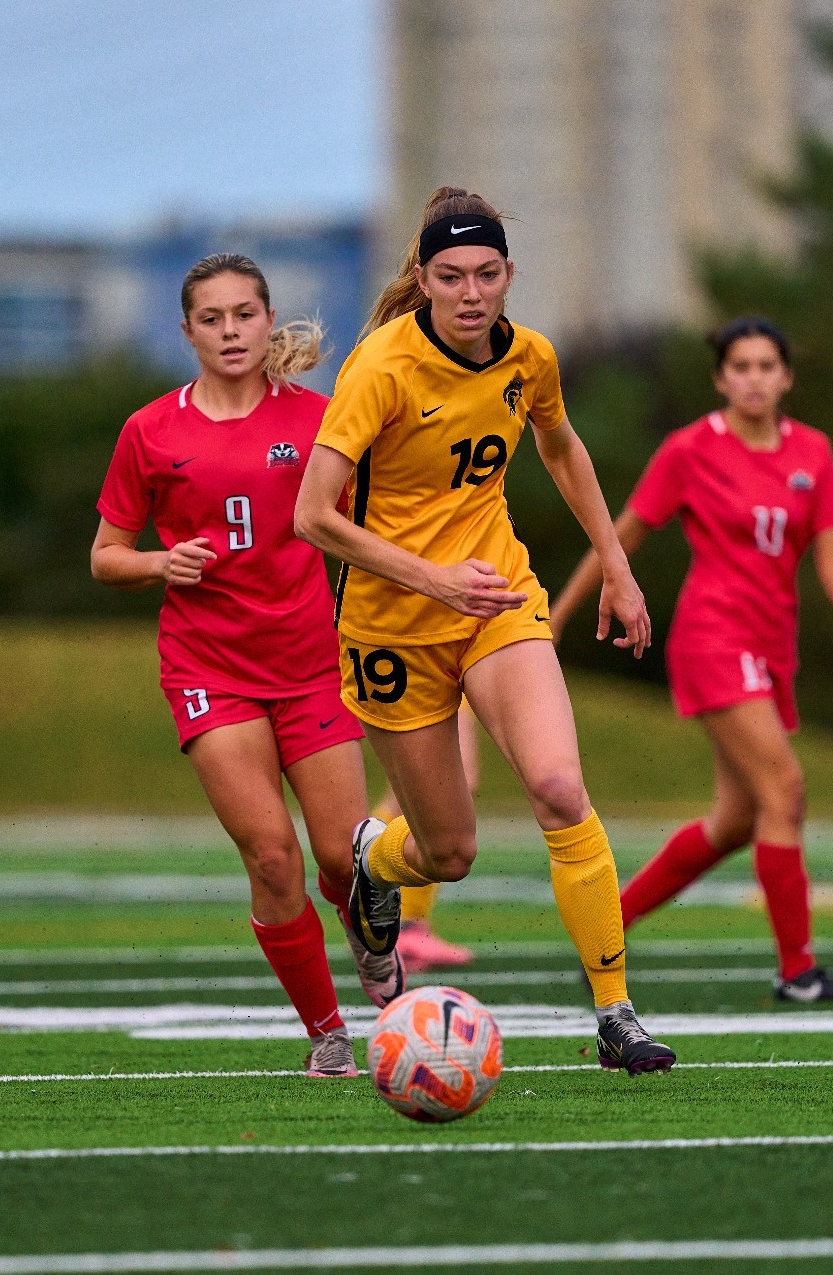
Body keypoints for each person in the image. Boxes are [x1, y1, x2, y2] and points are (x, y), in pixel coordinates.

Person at [293, 186, 676, 1075]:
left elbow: (561, 445)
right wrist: (429, 577)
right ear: (423, 279)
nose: (471, 292)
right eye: (452, 275)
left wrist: (616, 566)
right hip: (392, 627)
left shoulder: (529, 357)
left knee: (555, 784)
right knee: (449, 851)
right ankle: (375, 864)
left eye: (488, 274)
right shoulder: (381, 368)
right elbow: (312, 516)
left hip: (499, 599)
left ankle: (615, 1010)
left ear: (510, 276)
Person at [92, 254, 403, 1079]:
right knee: (272, 854)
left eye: (244, 314)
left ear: (269, 322)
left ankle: (371, 933)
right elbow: (105, 556)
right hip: (209, 669)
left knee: (342, 858)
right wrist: (162, 563)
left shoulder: (322, 419)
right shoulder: (150, 431)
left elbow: (369, 525)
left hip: (311, 664)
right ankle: (328, 1031)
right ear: (187, 330)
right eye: (211, 318)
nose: (230, 331)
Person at [554, 317, 833, 1003]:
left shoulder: (812, 452)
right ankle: (799, 972)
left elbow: (832, 552)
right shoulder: (691, 448)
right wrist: (556, 617)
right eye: (741, 366)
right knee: (784, 789)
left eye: (767, 365)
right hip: (712, 639)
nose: (754, 377)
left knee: (735, 821)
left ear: (786, 377)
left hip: (770, 644)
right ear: (720, 378)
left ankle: (606, 928)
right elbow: (619, 539)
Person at [372, 706, 478, 972]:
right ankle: (399, 922)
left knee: (408, 787)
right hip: (423, 666)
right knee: (443, 778)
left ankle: (395, 921)